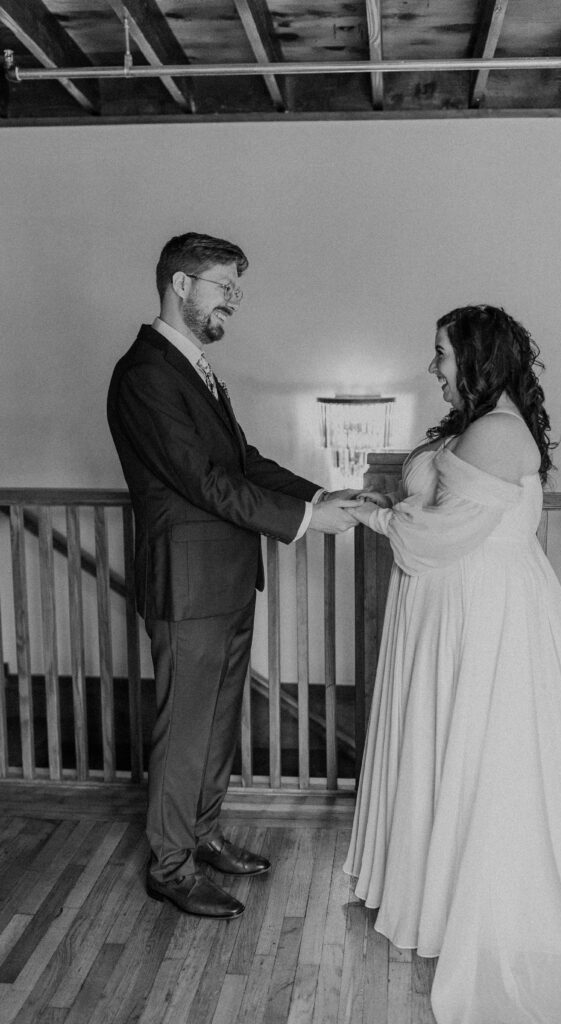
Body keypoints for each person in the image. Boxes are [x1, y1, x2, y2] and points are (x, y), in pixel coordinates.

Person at [344, 305, 561, 1023]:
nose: (430, 366)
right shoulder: (475, 426)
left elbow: (435, 534)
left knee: (477, 748)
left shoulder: (495, 430)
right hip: (451, 606)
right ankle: (428, 885)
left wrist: (371, 514)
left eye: (438, 353)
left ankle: (465, 898)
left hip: (477, 611)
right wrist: (384, 502)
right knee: (449, 743)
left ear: (475, 356)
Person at [107, 231, 359, 919]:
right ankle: (170, 866)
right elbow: (204, 482)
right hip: (187, 586)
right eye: (224, 287)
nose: (235, 301)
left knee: (218, 723)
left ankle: (203, 835)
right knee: (185, 730)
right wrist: (306, 525)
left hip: (223, 578)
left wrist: (321, 496)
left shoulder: (191, 369)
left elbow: (242, 462)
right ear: (181, 286)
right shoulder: (147, 374)